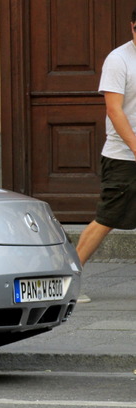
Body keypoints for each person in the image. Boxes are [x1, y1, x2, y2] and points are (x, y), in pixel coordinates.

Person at [76, 9, 136, 277]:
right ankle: (69, 279)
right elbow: (114, 109)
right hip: (123, 156)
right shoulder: (119, 59)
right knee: (107, 218)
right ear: (133, 26)